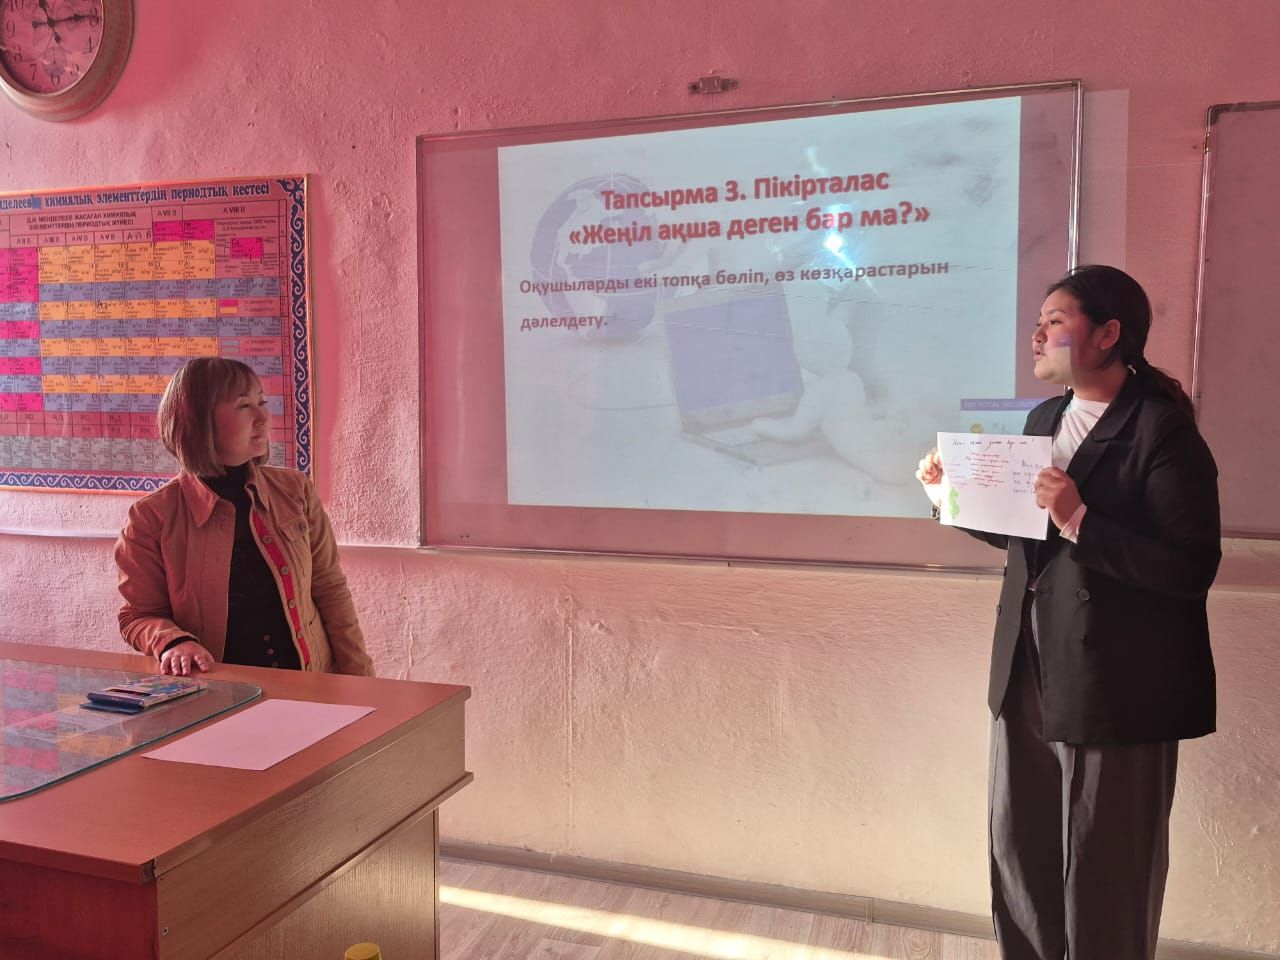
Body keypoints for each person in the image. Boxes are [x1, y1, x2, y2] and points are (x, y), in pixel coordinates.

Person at [916, 265, 1219, 960]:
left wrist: (1080, 517)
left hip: (1119, 680)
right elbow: (1029, 535)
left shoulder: (1162, 430)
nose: (1037, 335)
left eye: (1055, 321)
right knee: (1020, 841)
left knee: (1107, 859)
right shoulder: (1043, 419)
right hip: (1029, 661)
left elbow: (1189, 568)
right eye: (1038, 322)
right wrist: (948, 497)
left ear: (1110, 334)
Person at [115, 357, 374, 678]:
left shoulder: (295, 490)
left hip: (308, 684)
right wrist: (174, 641)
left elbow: (330, 589)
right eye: (244, 406)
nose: (263, 417)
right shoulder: (151, 516)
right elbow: (138, 616)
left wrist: (359, 678)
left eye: (262, 402)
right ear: (200, 420)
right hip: (217, 692)